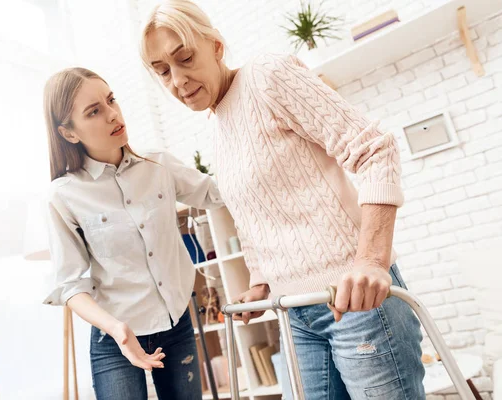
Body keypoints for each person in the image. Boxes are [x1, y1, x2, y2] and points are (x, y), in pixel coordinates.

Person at [140, 1, 425, 399]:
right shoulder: (220, 126)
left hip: (357, 304)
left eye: (185, 58)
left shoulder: (267, 76)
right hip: (294, 311)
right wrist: (260, 282)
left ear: (216, 46)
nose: (177, 79)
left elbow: (375, 150)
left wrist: (372, 261)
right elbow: (254, 215)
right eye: (163, 71)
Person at [42, 66, 223, 400]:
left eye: (111, 100)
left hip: (176, 326)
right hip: (115, 339)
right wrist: (117, 330)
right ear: (68, 133)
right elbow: (71, 286)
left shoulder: (159, 166)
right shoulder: (63, 196)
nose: (112, 115)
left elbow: (217, 193)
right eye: (94, 112)